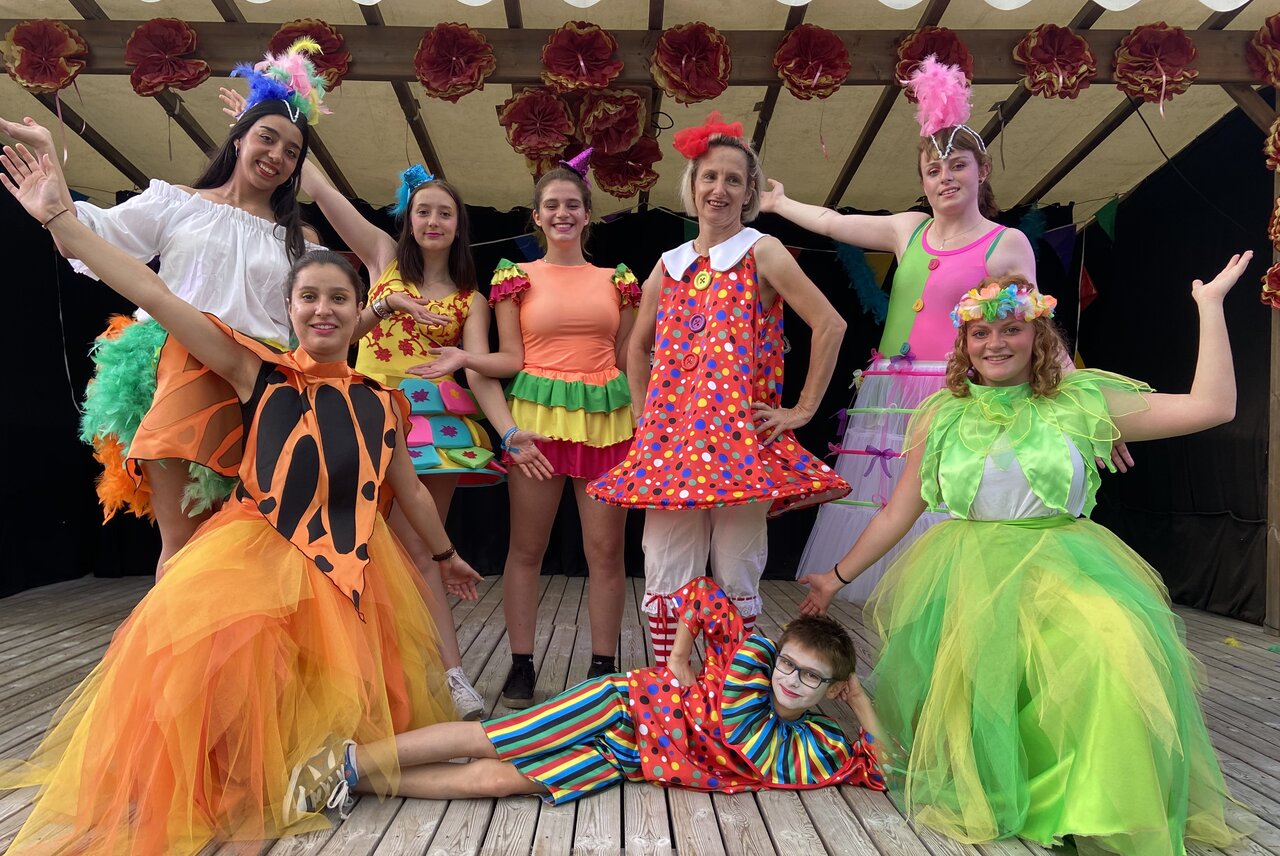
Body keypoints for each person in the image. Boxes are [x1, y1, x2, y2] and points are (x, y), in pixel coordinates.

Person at [0, 143, 475, 854]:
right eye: (308, 298)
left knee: (347, 698)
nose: (323, 309)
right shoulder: (258, 372)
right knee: (233, 667)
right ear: (287, 309)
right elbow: (157, 294)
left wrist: (447, 554)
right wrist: (62, 224)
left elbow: (406, 491)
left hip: (350, 565)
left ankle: (327, 764)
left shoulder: (383, 402)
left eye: (339, 298)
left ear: (359, 310)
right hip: (261, 544)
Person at [798, 259, 1254, 856]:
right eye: (981, 331)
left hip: (1063, 560)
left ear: (1040, 335)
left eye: (1012, 327)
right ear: (963, 341)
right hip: (970, 570)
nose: (996, 342)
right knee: (988, 695)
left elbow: (1212, 407)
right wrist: (834, 578)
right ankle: (1017, 795)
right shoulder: (941, 416)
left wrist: (1211, 306)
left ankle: (1093, 803)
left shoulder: (1079, 402)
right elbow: (895, 514)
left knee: (1110, 650)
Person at [0, 40, 330, 576]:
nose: (276, 156)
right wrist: (52, 184)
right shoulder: (179, 203)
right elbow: (88, 239)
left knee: (253, 538)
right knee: (186, 535)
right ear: (241, 135)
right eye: (267, 138)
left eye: (292, 151)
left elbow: (313, 323)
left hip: (260, 382)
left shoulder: (302, 240)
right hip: (178, 369)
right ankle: (176, 657)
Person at [762, 58, 1040, 603]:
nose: (945, 178)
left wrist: (1086, 405)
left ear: (981, 172)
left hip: (958, 393)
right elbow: (833, 223)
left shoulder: (1005, 243)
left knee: (939, 501)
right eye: (933, 171)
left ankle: (939, 607)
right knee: (886, 497)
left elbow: (1036, 329)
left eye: (957, 166)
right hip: (890, 391)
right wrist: (780, 204)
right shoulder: (907, 228)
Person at [588, 113, 848, 666]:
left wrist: (800, 411)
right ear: (692, 185)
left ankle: (731, 696)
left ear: (750, 191)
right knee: (665, 568)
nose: (720, 189)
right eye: (709, 177)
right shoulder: (669, 264)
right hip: (673, 450)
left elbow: (830, 324)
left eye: (734, 179)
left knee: (736, 570)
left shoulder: (763, 251)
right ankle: (672, 692)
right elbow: (636, 347)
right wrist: (645, 417)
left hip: (738, 444)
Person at [289, 577, 885, 814]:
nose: (790, 680)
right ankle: (349, 761)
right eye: (790, 664)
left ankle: (358, 782)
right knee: (496, 739)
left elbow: (880, 762)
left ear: (830, 689)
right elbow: (702, 594)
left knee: (500, 780)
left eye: (811, 678)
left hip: (629, 758)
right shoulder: (754, 663)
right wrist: (677, 657)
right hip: (621, 705)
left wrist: (858, 702)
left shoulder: (811, 742)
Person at [296, 160, 534, 721]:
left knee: (422, 549)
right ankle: (368, 674)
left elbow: (479, 370)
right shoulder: (381, 258)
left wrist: (509, 431)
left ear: (458, 225)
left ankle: (447, 676)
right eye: (423, 210)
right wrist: (283, 111)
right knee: (346, 545)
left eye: (444, 213)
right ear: (409, 218)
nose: (432, 220)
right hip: (357, 417)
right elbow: (324, 193)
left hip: (431, 427)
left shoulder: (471, 298)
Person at [433, 152, 636, 708]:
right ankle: (521, 665)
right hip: (536, 422)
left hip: (605, 420)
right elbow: (510, 359)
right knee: (526, 548)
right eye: (553, 205)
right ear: (537, 217)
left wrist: (648, 424)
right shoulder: (514, 277)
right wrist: (463, 359)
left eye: (573, 204)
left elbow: (627, 358)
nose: (563, 212)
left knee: (606, 551)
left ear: (588, 214)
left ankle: (603, 667)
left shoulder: (618, 280)